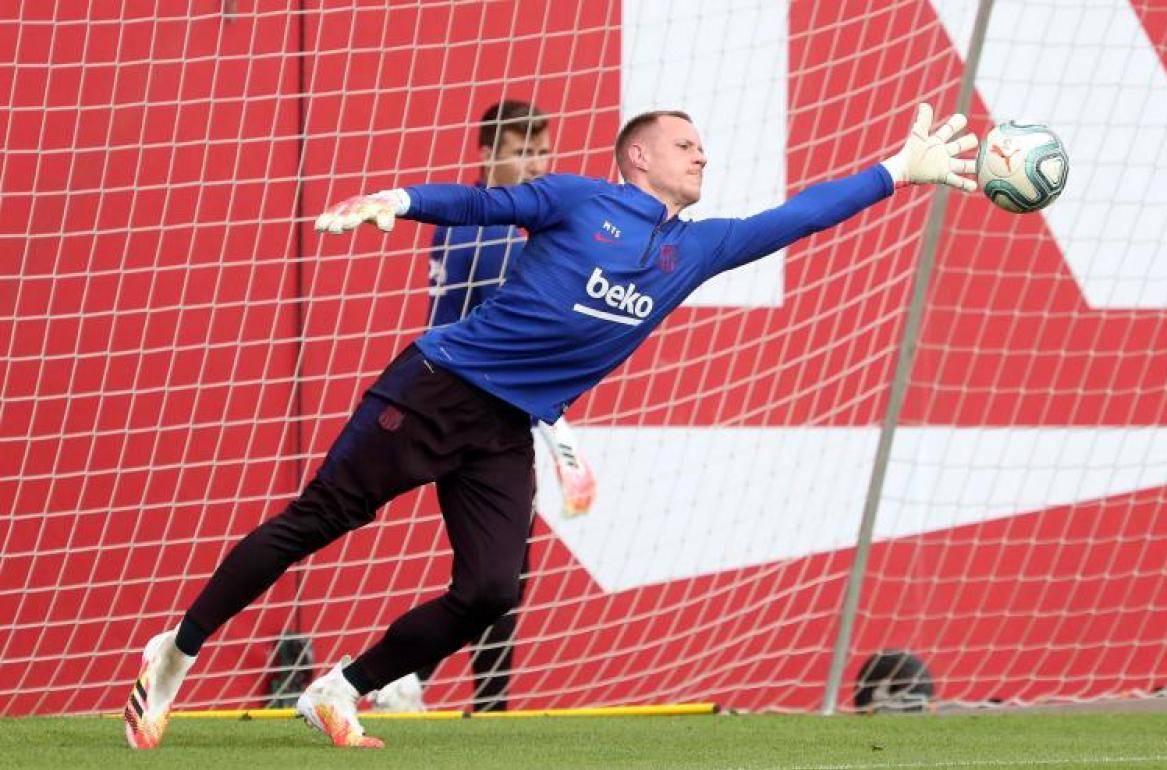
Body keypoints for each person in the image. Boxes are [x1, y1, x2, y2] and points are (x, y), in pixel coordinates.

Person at [122, 102, 978, 749]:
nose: (702, 155)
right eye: (686, 145)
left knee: (492, 590)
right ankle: (179, 650)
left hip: (505, 430)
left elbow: (795, 218)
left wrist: (898, 171)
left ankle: (341, 688)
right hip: (436, 386)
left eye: (703, 147)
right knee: (318, 521)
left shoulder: (698, 249)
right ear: (638, 157)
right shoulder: (577, 199)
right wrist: (399, 198)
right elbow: (478, 206)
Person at [366, 100, 596, 715]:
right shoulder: (496, 233)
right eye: (520, 151)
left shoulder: (476, 221)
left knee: (498, 572)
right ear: (488, 155)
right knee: (498, 574)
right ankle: (424, 684)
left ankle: (429, 685)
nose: (534, 163)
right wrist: (564, 443)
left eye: (541, 150)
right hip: (470, 408)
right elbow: (519, 351)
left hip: (461, 400)